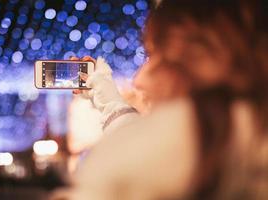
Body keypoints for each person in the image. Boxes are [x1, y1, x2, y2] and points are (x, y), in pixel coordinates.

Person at [54, 0, 268, 199]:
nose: (139, 79)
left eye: (158, 57)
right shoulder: (233, 153)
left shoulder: (146, 180)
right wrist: (108, 98)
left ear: (210, 63)